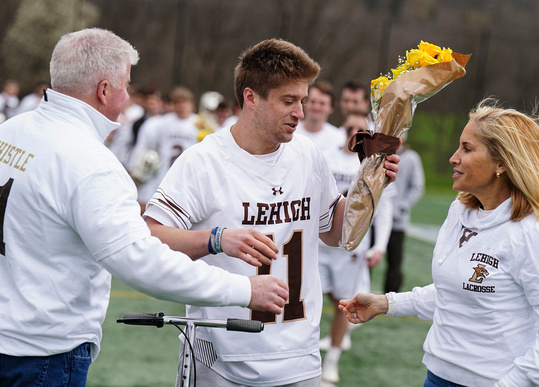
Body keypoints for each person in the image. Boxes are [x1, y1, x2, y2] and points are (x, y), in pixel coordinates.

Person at [0, 28, 288, 387]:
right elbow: (141, 262)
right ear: (105, 90)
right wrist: (244, 289)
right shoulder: (91, 163)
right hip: (40, 352)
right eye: (126, 84)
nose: (128, 96)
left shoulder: (11, 130)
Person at [143, 38, 400, 386]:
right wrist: (217, 240)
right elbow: (151, 237)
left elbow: (336, 233)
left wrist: (369, 184)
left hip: (300, 358)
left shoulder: (307, 155)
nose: (300, 112)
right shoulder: (204, 161)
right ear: (251, 98)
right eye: (288, 101)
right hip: (221, 359)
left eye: (303, 101)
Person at [339, 99, 539, 387]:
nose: (453, 158)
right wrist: (386, 303)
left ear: (501, 162)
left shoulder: (532, 232)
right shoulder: (459, 211)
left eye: (467, 148)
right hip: (438, 377)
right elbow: (454, 292)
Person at [318, 109, 395, 384]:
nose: (356, 134)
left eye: (363, 131)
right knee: (314, 299)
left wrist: (380, 246)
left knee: (343, 304)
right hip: (320, 246)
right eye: (352, 128)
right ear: (343, 128)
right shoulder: (325, 157)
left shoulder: (375, 164)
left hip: (351, 251)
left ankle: (332, 360)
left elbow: (384, 207)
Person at [128, 85, 200, 213]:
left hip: (188, 179)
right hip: (161, 176)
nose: (181, 106)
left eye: (184, 102)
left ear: (192, 104)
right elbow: (145, 150)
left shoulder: (200, 125)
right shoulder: (160, 123)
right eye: (177, 102)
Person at [384, 131, 425, 293]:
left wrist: (401, 207)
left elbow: (417, 187)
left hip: (397, 222)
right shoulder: (379, 155)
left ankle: (390, 296)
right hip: (375, 220)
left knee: (394, 261)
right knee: (366, 258)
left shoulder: (411, 158)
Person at [295, 80, 345, 153]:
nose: (316, 107)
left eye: (322, 103)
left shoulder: (339, 139)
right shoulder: (291, 132)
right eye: (313, 102)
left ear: (331, 108)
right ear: (304, 103)